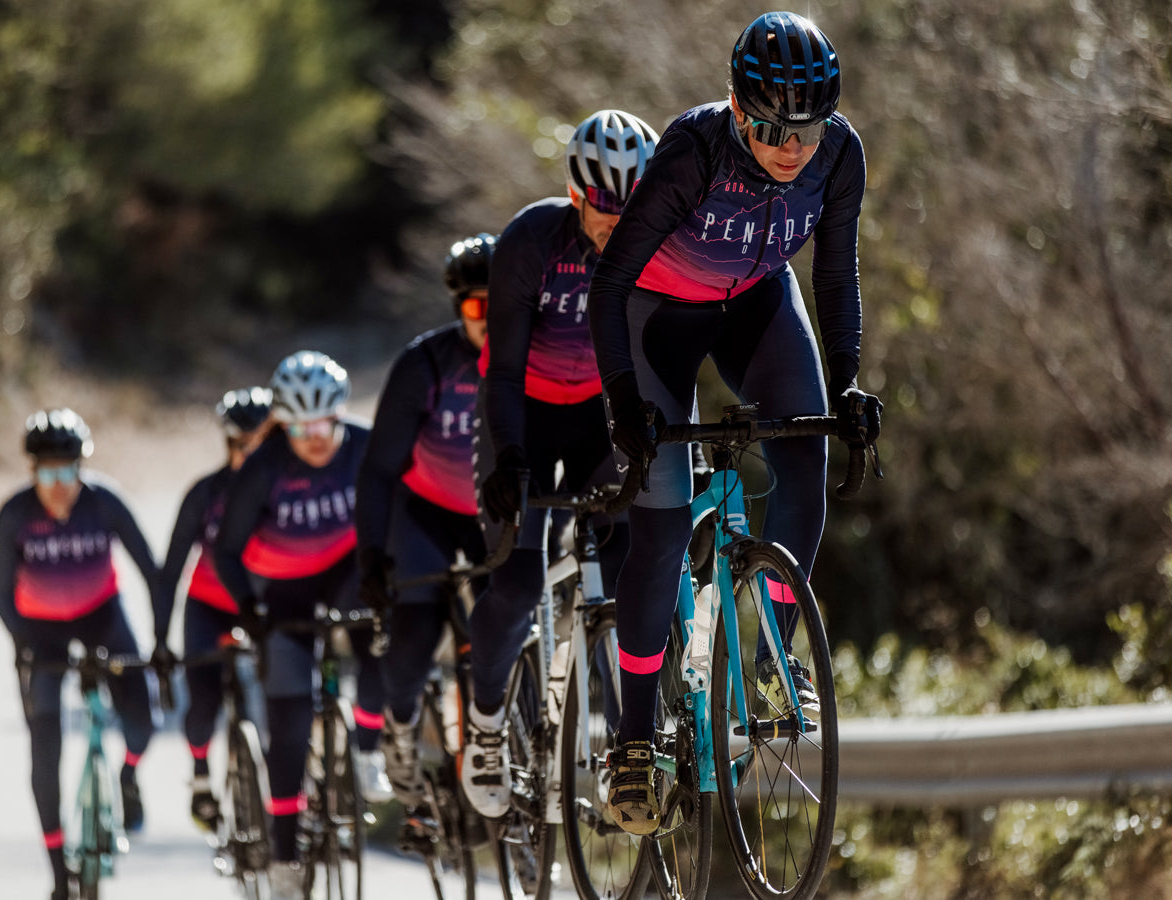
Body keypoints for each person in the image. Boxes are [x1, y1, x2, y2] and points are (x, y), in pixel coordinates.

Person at [586, 11, 884, 835]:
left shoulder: (840, 154)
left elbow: (834, 273)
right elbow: (610, 286)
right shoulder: (693, 151)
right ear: (734, 105)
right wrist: (624, 403)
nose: (791, 147)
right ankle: (635, 738)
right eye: (767, 127)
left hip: (757, 306)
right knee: (660, 519)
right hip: (659, 319)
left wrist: (848, 386)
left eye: (807, 127)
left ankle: (768, 665)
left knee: (805, 463)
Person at [462, 109, 658, 817]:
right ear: (577, 195)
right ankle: (484, 724)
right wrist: (510, 458)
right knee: (514, 585)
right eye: (605, 205)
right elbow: (503, 371)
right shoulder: (530, 241)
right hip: (526, 415)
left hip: (597, 419)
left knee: (638, 561)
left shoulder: (657, 243)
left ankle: (631, 738)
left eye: (630, 205)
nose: (617, 219)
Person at [210, 351, 387, 899]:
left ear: (340, 413)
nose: (316, 437)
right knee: (287, 724)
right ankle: (284, 856)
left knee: (376, 623)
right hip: (282, 588)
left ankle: (367, 752)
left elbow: (399, 508)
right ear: (282, 424)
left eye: (325, 421)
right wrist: (249, 611)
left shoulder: (363, 444)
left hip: (343, 570)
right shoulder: (263, 468)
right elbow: (226, 552)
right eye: (301, 426)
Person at [0, 408, 168, 900]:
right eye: (47, 473)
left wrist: (158, 645)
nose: (58, 484)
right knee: (44, 749)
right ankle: (57, 872)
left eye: (68, 471)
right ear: (32, 472)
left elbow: (151, 571)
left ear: (82, 467)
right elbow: (2, 595)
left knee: (143, 718)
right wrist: (23, 647)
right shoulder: (14, 515)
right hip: (41, 632)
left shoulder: (105, 502)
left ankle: (128, 775)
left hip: (102, 616)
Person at [355, 234, 494, 807]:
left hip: (496, 510)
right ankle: (403, 726)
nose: (491, 320)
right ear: (458, 308)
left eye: (504, 304)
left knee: (510, 627)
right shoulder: (425, 363)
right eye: (476, 307)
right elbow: (379, 468)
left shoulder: (540, 356)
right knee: (413, 636)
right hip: (426, 511)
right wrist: (371, 554)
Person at [156, 386, 274, 831]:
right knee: (202, 703)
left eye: (262, 445)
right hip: (208, 603)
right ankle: (202, 776)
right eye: (244, 446)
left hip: (264, 605)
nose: (253, 455)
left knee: (286, 692)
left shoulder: (289, 483)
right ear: (228, 446)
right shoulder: (205, 494)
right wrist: (160, 641)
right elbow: (169, 572)